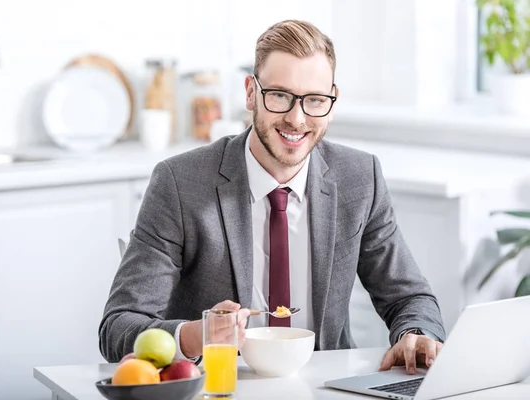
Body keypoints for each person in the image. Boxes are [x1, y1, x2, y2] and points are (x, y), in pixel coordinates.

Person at [99, 19, 446, 375]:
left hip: (326, 387)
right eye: (279, 95)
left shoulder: (360, 179)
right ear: (251, 92)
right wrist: (195, 335)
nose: (296, 119)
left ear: (332, 100)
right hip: (220, 388)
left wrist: (416, 335)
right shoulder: (179, 183)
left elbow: (409, 297)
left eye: (314, 100)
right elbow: (118, 328)